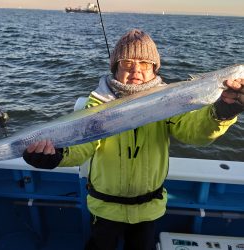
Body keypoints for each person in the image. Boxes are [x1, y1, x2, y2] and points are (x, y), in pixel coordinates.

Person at [23, 29, 244, 250]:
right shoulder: (98, 105)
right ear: (116, 68)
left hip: (149, 209)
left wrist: (223, 112)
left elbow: (194, 132)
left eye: (145, 64)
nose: (136, 70)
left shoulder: (169, 102)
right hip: (104, 208)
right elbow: (82, 146)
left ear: (154, 69)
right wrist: (56, 155)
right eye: (127, 64)